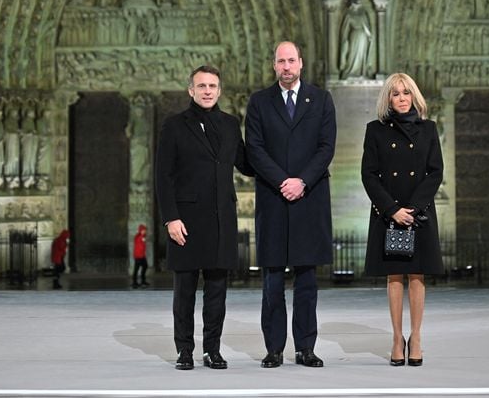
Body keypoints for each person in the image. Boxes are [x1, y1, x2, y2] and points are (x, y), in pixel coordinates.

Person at [245, 41, 337, 368]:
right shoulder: (258, 102)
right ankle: (274, 349)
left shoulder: (322, 99)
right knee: (272, 282)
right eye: (280, 61)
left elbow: (326, 148)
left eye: (291, 61)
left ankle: (305, 348)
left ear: (301, 63)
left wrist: (302, 181)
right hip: (273, 198)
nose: (286, 67)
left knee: (307, 281)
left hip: (308, 198)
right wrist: (283, 181)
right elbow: (254, 149)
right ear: (274, 65)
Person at [155, 65, 253, 371]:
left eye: (212, 85)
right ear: (191, 90)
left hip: (221, 217)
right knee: (184, 291)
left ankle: (213, 350)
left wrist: (283, 157)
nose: (207, 90)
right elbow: (163, 176)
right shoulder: (174, 125)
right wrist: (171, 218)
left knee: (217, 291)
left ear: (219, 90)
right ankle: (184, 350)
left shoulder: (230, 124)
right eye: (201, 86)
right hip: (186, 220)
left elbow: (247, 164)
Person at [361, 73, 444, 367]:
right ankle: (397, 338)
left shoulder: (429, 129)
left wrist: (414, 207)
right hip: (389, 212)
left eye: (406, 92)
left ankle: (416, 337)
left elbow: (435, 172)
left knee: (417, 275)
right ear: (388, 99)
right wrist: (392, 209)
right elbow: (369, 174)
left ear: (414, 96)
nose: (401, 98)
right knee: (395, 276)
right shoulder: (375, 131)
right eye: (395, 93)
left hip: (418, 213)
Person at [131, 224, 149, 289]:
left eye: (145, 230)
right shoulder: (139, 237)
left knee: (144, 267)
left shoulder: (142, 236)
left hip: (142, 255)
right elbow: (139, 246)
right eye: (143, 230)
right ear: (140, 230)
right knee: (137, 269)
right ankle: (135, 282)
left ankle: (142, 281)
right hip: (138, 256)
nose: (145, 231)